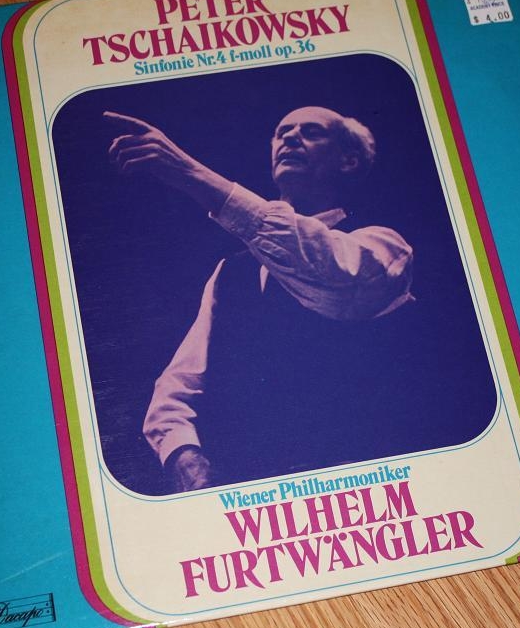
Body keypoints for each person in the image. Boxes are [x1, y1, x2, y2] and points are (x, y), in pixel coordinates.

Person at [106, 107, 415, 491]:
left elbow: (332, 278)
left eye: (312, 131)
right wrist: (182, 453)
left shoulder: (384, 246)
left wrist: (188, 171)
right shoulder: (230, 272)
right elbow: (177, 386)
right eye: (282, 132)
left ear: (348, 161)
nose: (291, 137)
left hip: (355, 487)